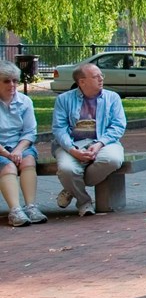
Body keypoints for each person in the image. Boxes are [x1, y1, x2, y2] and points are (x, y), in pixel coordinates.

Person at [50, 62, 127, 217]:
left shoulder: (112, 98)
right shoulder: (63, 100)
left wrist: (99, 144)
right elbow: (59, 129)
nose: (101, 79)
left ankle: (70, 187)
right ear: (82, 82)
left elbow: (118, 126)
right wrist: (72, 150)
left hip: (104, 142)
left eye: (101, 75)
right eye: (95, 76)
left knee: (112, 160)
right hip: (72, 144)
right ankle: (83, 202)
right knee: (67, 169)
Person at [0, 61, 46, 227]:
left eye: (15, 81)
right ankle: (15, 210)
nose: (12, 85)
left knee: (28, 161)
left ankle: (31, 206)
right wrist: (7, 154)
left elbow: (29, 132)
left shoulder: (25, 101)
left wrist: (18, 150)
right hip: (1, 149)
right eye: (6, 81)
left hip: (20, 146)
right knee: (8, 167)